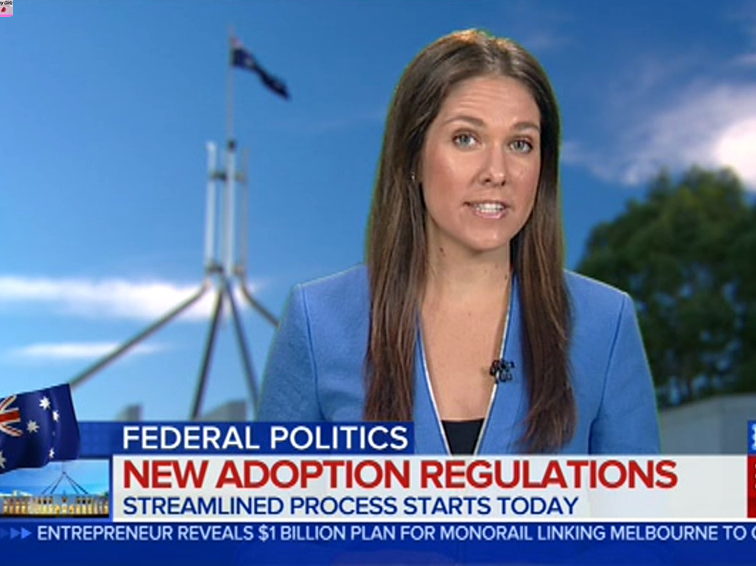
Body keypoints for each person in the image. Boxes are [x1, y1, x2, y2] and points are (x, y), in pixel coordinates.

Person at [257, 29, 660, 455]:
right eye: (466, 139)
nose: (497, 172)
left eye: (521, 144)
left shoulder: (605, 324)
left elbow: (637, 499)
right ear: (412, 157)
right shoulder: (318, 322)